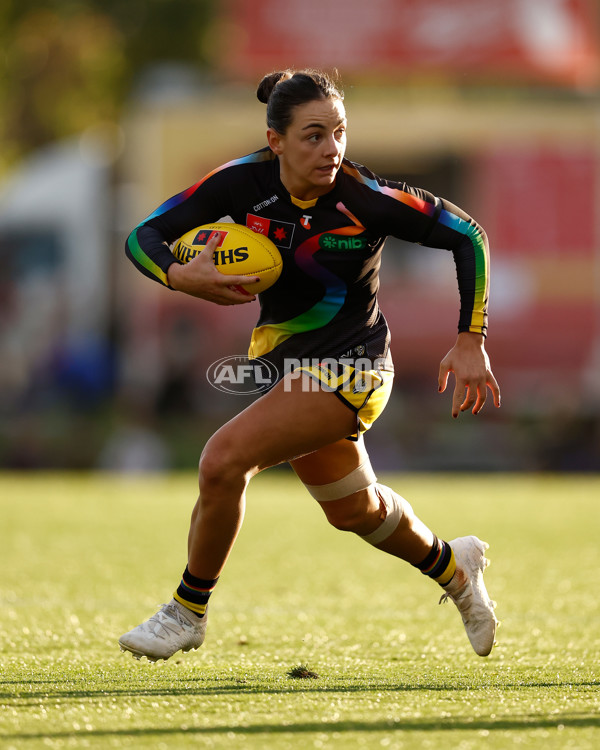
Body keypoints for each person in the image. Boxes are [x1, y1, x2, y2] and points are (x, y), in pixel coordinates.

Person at [119, 69, 501, 662]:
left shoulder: (364, 197)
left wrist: (470, 338)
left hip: (358, 368)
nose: (331, 150)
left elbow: (467, 236)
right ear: (276, 141)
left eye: (339, 133)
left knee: (223, 461)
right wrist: (178, 274)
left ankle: (186, 611)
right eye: (313, 136)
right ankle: (457, 569)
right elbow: (144, 236)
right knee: (355, 509)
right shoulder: (239, 183)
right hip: (289, 366)